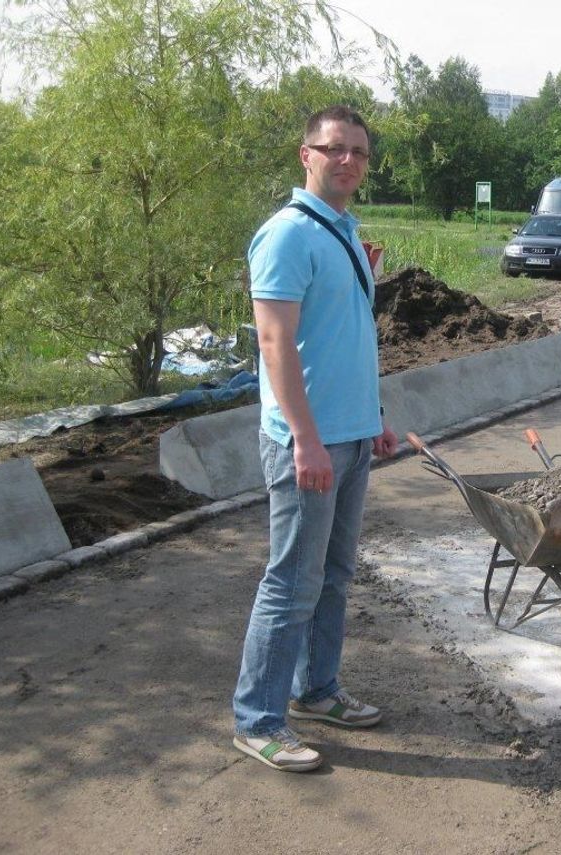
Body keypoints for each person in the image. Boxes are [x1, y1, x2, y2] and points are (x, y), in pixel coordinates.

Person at [232, 105, 398, 772]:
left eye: (358, 150)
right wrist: (305, 438)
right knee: (291, 582)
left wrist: (373, 416)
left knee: (333, 575)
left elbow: (341, 341)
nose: (348, 160)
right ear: (306, 155)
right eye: (334, 148)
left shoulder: (343, 230)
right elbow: (275, 342)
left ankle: (317, 690)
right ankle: (258, 718)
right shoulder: (287, 235)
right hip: (309, 441)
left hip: (352, 435)